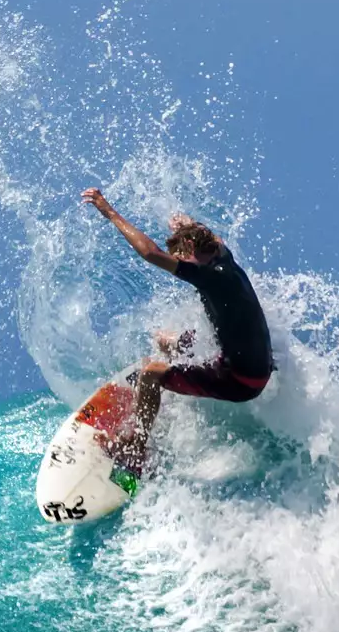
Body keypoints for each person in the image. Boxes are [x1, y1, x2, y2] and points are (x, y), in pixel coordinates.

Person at [80, 188, 272, 465]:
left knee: (149, 373)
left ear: (192, 251)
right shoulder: (220, 252)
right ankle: (167, 392)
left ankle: (135, 448)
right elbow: (203, 231)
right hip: (250, 360)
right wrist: (187, 225)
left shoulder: (207, 276)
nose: (181, 263)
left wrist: (109, 212)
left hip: (241, 380)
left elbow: (150, 252)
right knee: (165, 341)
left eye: (183, 257)